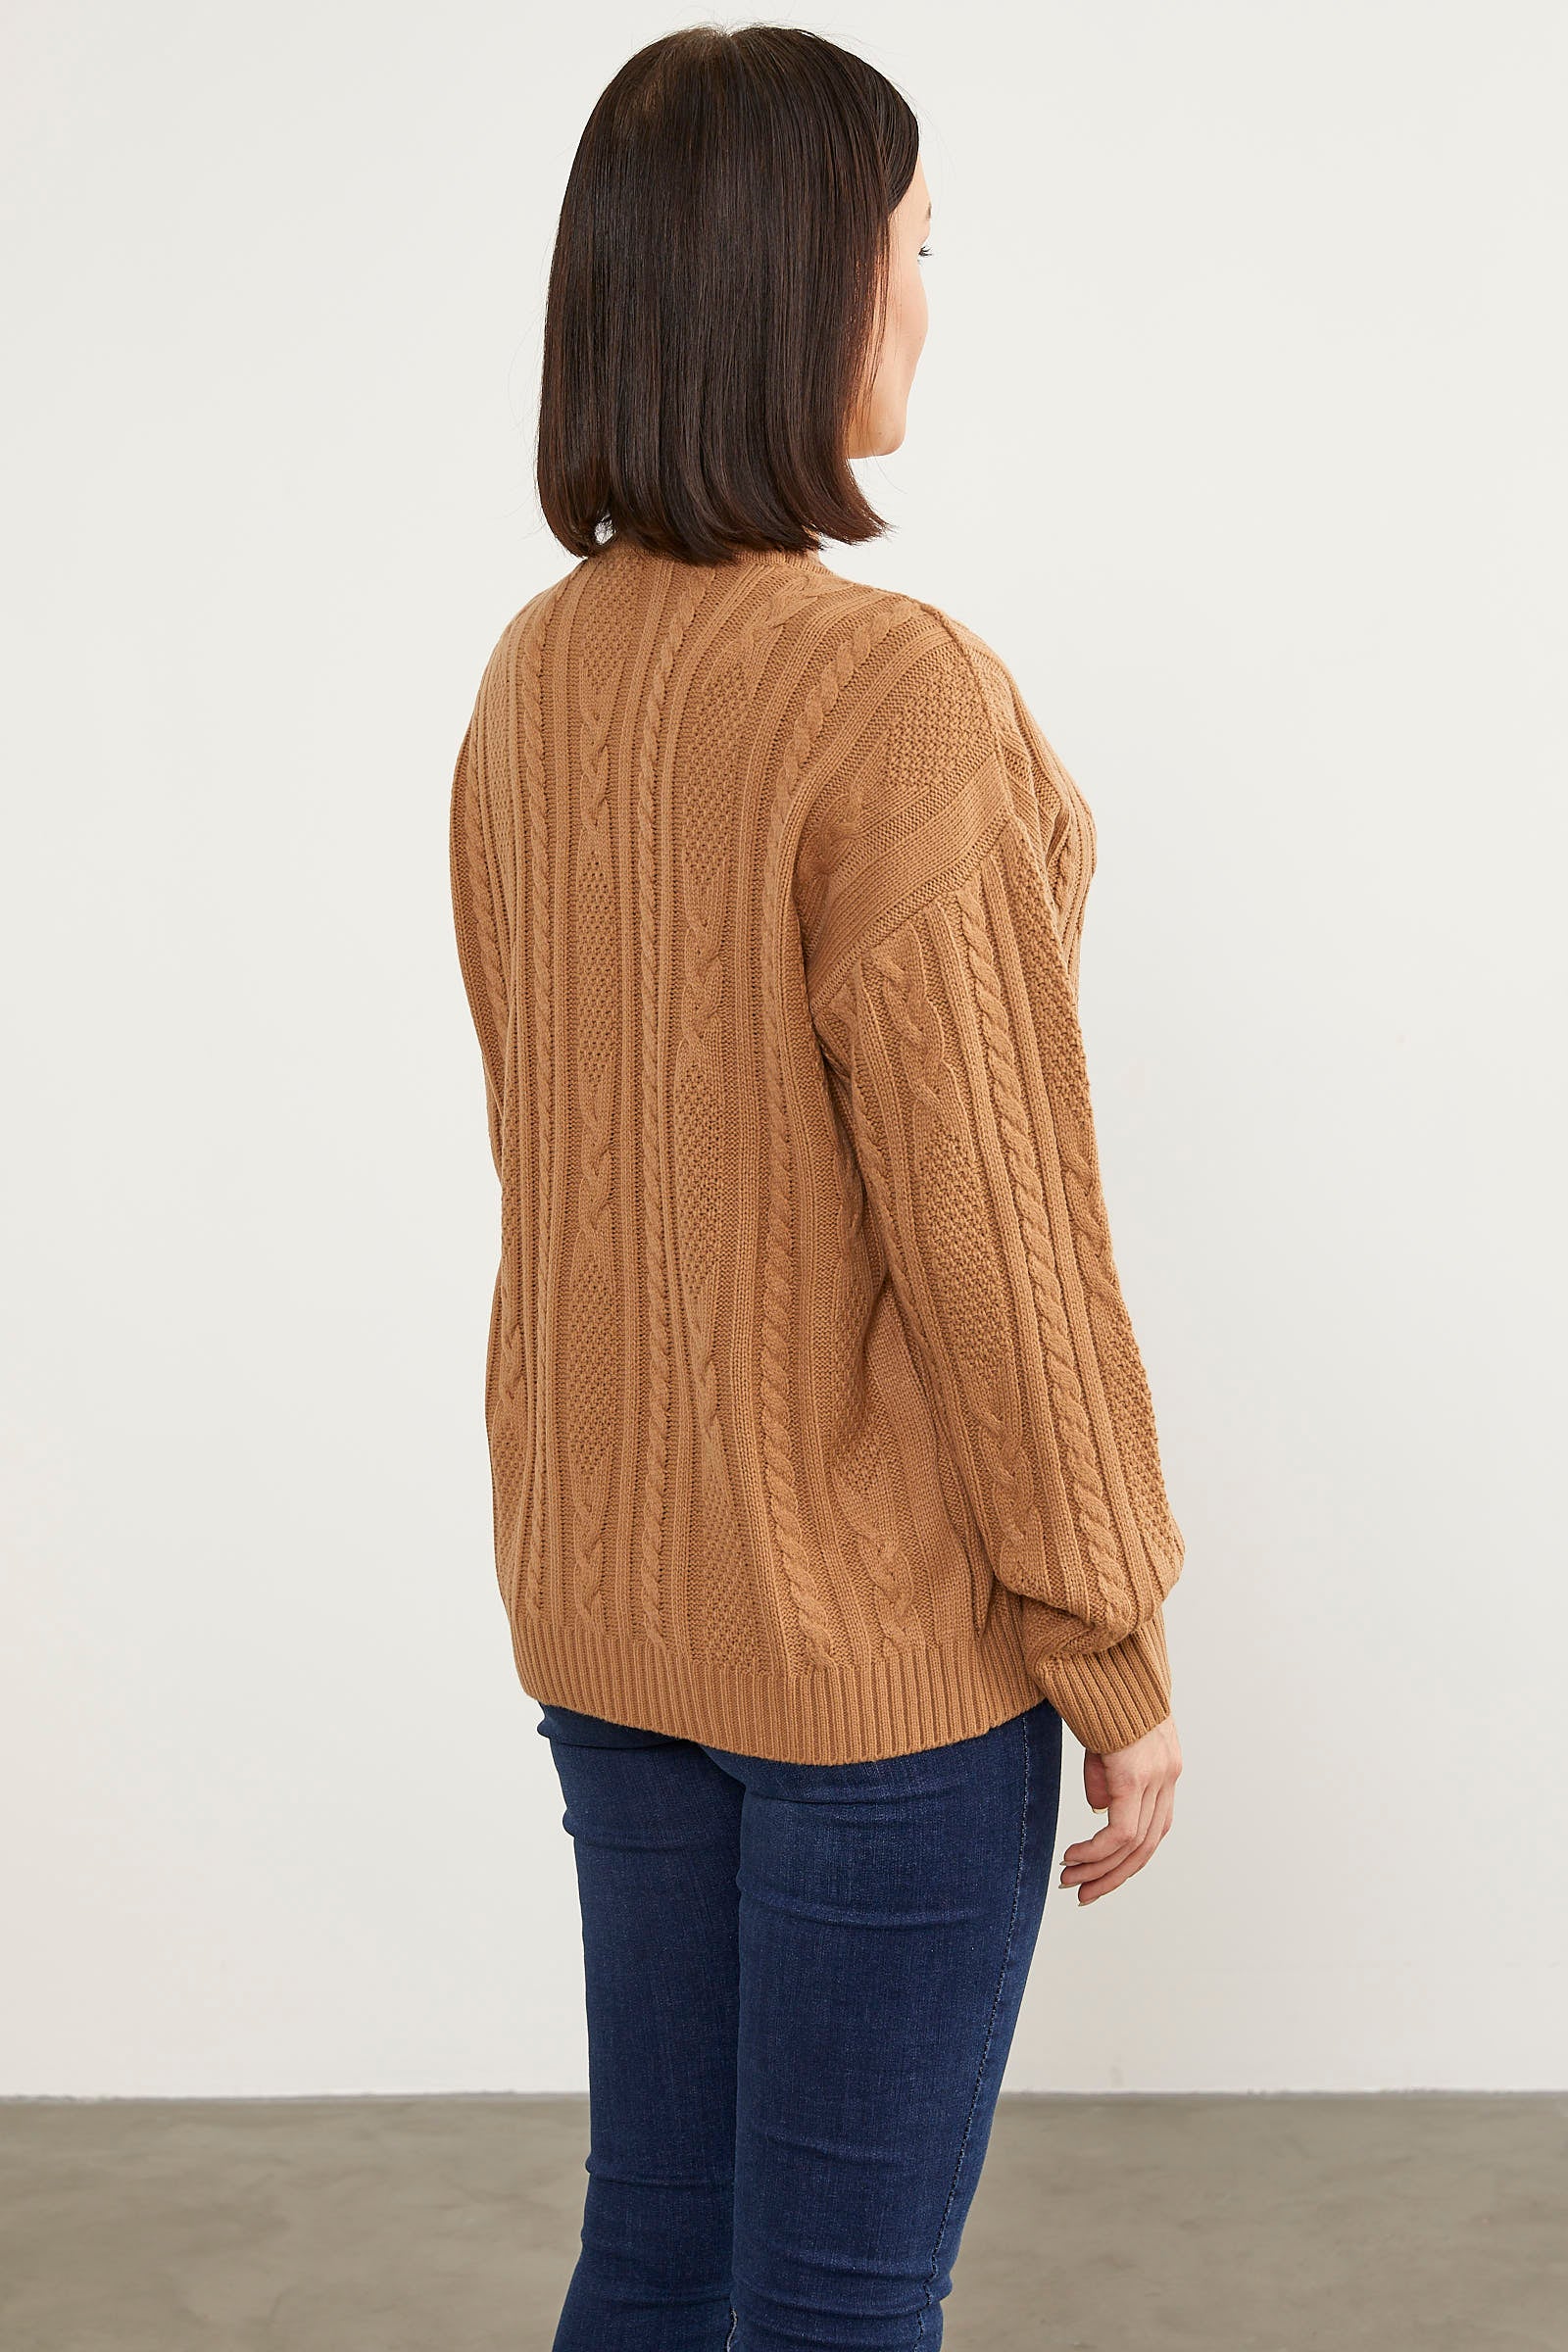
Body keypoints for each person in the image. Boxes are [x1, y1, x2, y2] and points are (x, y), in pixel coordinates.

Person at [447, 24, 1186, 2348]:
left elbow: (565, 1137)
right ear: (800, 284)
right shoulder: (886, 693)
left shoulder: (534, 677)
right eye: (914, 251)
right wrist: (1106, 1635)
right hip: (868, 1658)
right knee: (840, 2311)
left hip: (609, 1594)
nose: (926, 306)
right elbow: (995, 1237)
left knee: (658, 2262)